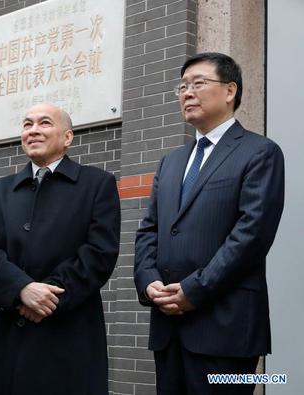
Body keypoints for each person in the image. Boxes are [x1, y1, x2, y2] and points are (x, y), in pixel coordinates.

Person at [134, 52, 285, 394]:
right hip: (168, 326)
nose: (187, 92)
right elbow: (149, 230)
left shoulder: (259, 152)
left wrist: (195, 289)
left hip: (226, 328)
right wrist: (148, 282)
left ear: (230, 91)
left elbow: (252, 234)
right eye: (182, 86)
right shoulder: (171, 162)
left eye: (198, 83)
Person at [0, 103, 120, 395]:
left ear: (67, 137)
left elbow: (99, 253)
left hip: (69, 330)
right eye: (27, 124)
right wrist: (21, 290)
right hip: (9, 331)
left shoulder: (96, 184)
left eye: (44, 123)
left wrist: (48, 296)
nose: (33, 130)